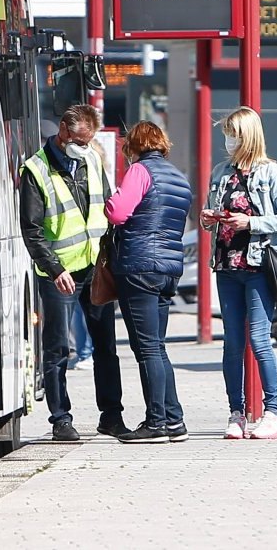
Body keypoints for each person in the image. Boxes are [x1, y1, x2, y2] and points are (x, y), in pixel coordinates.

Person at [20, 104, 125, 442]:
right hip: (60, 273)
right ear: (64, 132)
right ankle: (60, 419)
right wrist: (54, 269)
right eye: (80, 139)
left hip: (95, 266)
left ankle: (111, 415)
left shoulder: (91, 159)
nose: (85, 145)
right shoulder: (35, 170)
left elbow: (107, 204)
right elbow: (32, 229)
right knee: (57, 347)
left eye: (89, 140)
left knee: (105, 346)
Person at [199, 107, 277, 440]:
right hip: (226, 265)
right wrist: (208, 218)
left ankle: (272, 412)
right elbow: (207, 215)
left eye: (233, 133)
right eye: (226, 133)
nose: (228, 140)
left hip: (257, 265)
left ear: (248, 135)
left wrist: (252, 223)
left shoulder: (271, 173)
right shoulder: (220, 171)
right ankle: (236, 413)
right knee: (232, 342)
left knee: (259, 339)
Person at [104, 121, 193, 443]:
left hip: (139, 266)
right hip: (168, 268)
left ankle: (156, 421)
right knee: (158, 346)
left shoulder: (140, 171)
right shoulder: (178, 177)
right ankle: (174, 419)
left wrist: (112, 199)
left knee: (147, 349)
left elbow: (118, 213)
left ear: (134, 146)